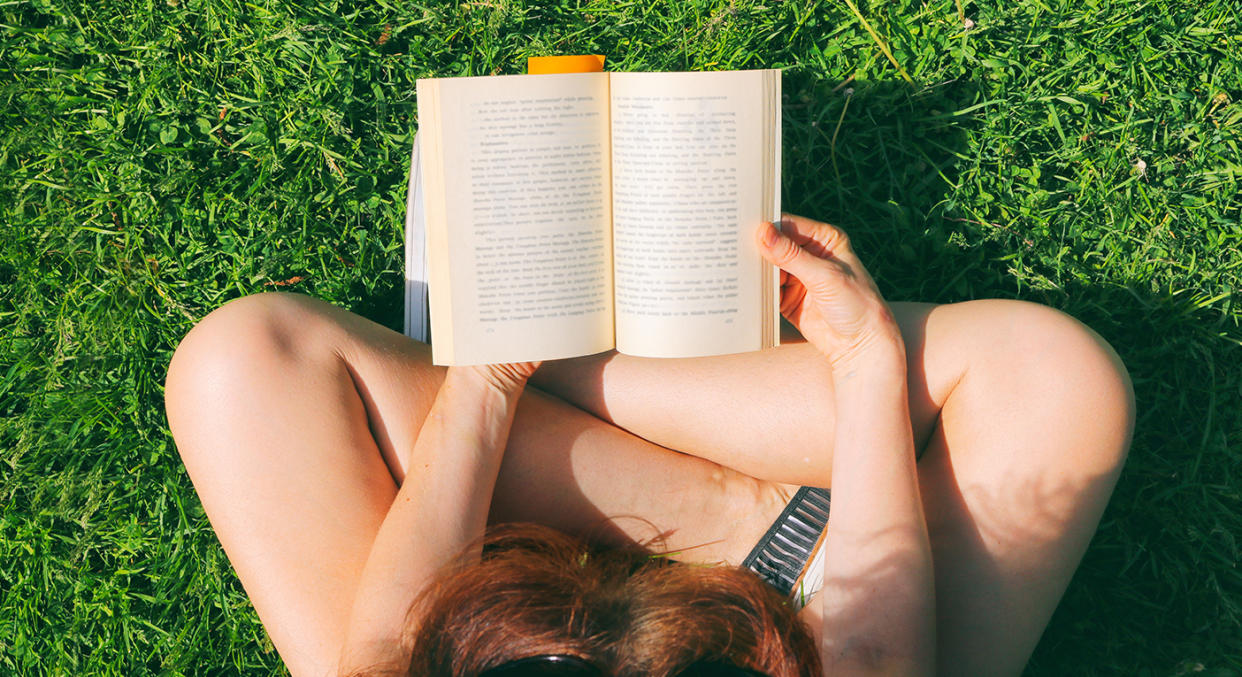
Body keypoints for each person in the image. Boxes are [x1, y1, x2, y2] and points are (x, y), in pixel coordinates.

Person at [164, 215, 1134, 677]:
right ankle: (753, 506)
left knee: (242, 364)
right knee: (1056, 384)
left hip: (499, 569)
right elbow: (874, 656)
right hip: (810, 613)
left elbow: (386, 650)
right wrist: (862, 357)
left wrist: (491, 383)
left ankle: (550, 351)